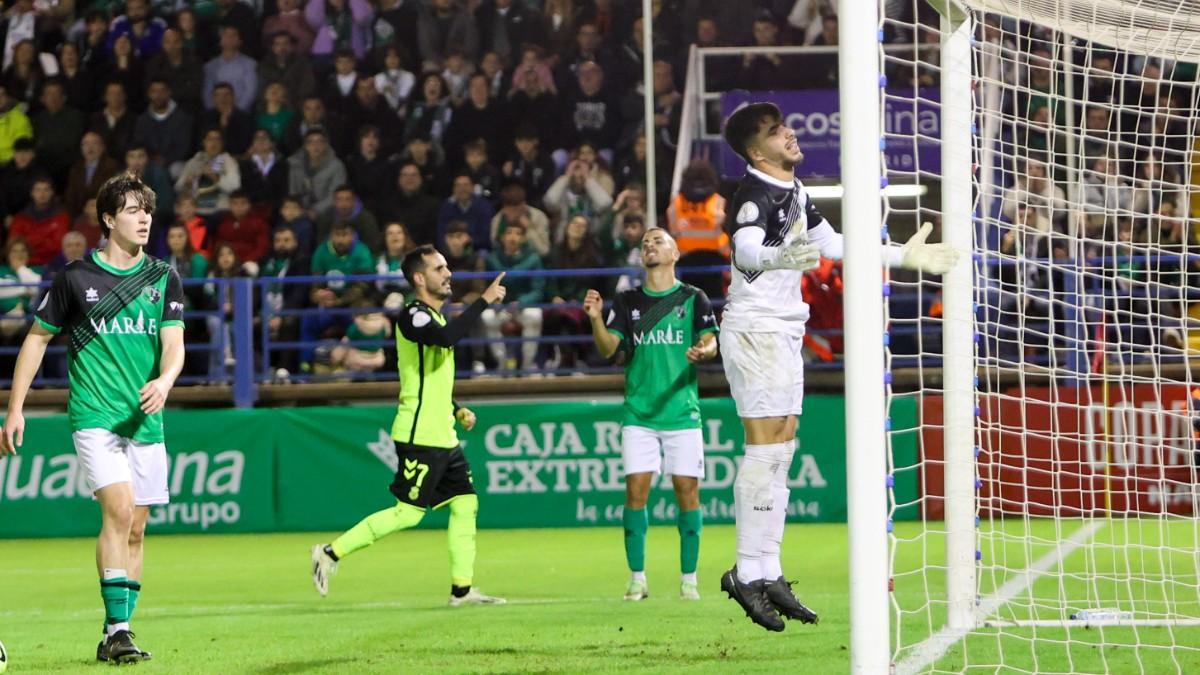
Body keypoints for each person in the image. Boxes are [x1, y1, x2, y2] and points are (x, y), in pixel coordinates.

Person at [717, 102, 956, 631]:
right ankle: (745, 572)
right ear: (758, 152)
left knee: (782, 444)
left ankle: (768, 569)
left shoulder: (797, 192)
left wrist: (902, 257)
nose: (790, 133)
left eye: (785, 124)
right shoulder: (753, 196)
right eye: (777, 132)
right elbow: (747, 251)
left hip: (783, 329)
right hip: (755, 330)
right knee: (764, 447)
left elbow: (835, 245)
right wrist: (783, 258)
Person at [1, 172, 186, 664]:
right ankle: (121, 629)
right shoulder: (76, 278)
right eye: (131, 209)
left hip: (146, 420)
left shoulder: (163, 277)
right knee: (119, 510)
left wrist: (165, 382)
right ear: (108, 218)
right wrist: (15, 408)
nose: (144, 217)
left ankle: (112, 633)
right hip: (94, 416)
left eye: (147, 208)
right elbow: (37, 339)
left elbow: (175, 345)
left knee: (138, 528)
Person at [310, 245, 508, 606]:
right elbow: (445, 340)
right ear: (420, 278)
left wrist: (457, 408)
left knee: (465, 505)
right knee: (408, 513)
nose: (448, 273)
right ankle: (328, 553)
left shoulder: (438, 318)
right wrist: (484, 301)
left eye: (447, 266)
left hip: (442, 434)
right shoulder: (413, 316)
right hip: (419, 435)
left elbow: (429, 377)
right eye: (439, 268)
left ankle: (462, 590)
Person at [583, 227, 718, 601]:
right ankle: (637, 578)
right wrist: (596, 319)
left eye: (658, 241)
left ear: (674, 254)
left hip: (681, 411)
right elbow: (611, 348)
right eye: (645, 243)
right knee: (635, 492)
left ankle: (689, 579)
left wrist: (704, 351)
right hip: (639, 413)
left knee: (687, 492)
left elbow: (710, 339)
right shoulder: (627, 301)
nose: (649, 246)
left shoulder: (693, 298)